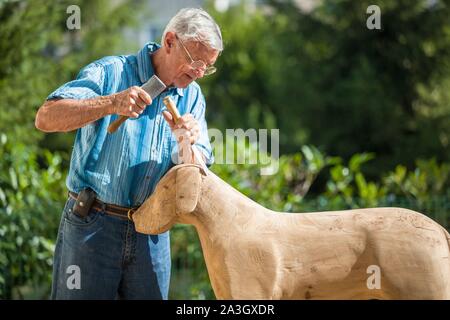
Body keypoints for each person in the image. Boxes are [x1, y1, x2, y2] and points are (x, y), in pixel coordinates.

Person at [35, 7, 223, 299]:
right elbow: (46, 117)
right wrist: (111, 103)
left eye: (207, 66)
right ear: (170, 41)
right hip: (93, 226)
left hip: (153, 230)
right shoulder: (111, 72)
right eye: (195, 60)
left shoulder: (193, 96)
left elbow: (198, 175)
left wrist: (186, 143)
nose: (199, 72)